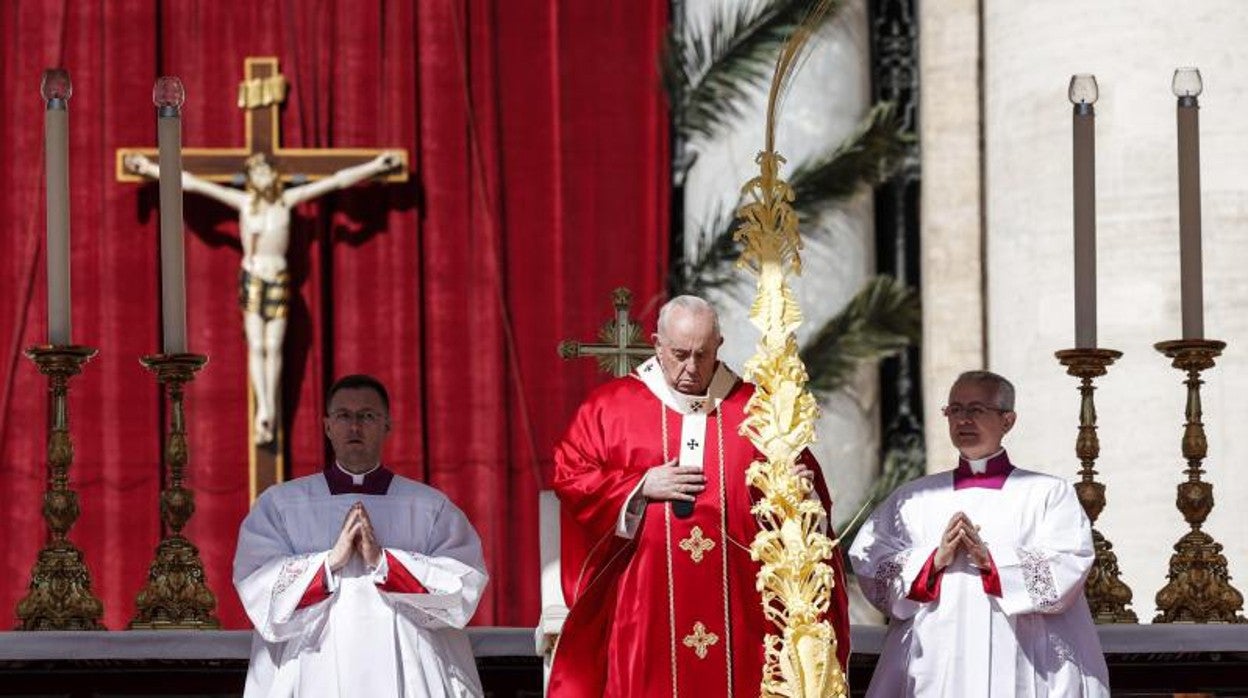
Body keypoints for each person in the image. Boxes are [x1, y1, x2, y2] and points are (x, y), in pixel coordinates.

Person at [548, 295, 851, 697]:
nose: (691, 368)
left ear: (719, 347)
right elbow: (571, 477)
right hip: (645, 602)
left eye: (702, 355)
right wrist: (639, 486)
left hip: (739, 605)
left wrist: (799, 493)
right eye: (679, 354)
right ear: (657, 344)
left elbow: (808, 499)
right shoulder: (609, 409)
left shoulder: (759, 412)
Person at [848, 370, 1110, 697]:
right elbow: (871, 560)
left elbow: (1069, 562)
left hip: (1021, 655)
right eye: (955, 410)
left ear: (1008, 420)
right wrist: (933, 560)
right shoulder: (913, 497)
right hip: (935, 658)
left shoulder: (1047, 493)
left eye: (976, 409)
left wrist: (992, 561)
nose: (963, 420)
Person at [232, 374, 487, 697]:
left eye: (367, 416)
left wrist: (385, 563)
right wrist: (327, 564)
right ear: (327, 426)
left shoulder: (428, 506)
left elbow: (463, 586)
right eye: (343, 416)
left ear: (387, 425)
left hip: (410, 669)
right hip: (313, 669)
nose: (355, 427)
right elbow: (256, 583)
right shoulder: (282, 504)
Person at [125, 151, 402, 444]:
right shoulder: (244, 203)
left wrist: (374, 166)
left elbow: (335, 182)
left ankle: (270, 404)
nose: (263, 177)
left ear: (273, 175)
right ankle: (265, 410)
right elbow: (193, 184)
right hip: (254, 278)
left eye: (267, 172)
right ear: (251, 179)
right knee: (257, 346)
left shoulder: (287, 201)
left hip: (279, 278)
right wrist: (150, 169)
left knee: (274, 346)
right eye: (257, 174)